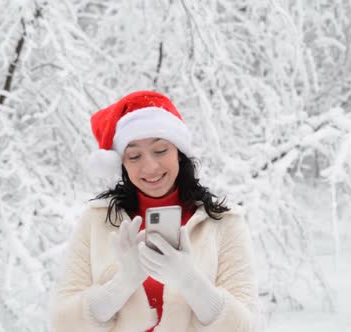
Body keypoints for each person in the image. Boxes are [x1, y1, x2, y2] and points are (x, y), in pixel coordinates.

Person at [49, 91, 258, 331]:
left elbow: (247, 325)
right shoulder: (96, 220)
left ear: (179, 154)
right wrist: (123, 283)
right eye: (134, 156)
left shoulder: (223, 222)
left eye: (160, 151)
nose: (150, 167)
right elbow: (63, 323)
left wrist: (190, 281)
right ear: (123, 164)